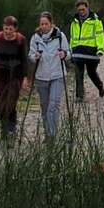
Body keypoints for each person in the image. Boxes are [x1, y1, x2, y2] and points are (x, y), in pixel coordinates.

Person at [24, 12, 71, 140]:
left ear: (51, 24)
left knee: (53, 106)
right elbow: (30, 56)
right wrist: (35, 56)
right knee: (45, 107)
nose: (44, 26)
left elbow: (69, 53)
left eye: (46, 24)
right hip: (41, 76)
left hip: (57, 75)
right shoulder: (35, 37)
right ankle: (47, 133)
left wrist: (64, 54)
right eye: (42, 24)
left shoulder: (60, 36)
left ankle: (52, 135)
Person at [0, 15, 27, 140]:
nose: (8, 32)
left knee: (10, 103)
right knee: (0, 105)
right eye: (6, 28)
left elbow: (24, 59)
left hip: (16, 75)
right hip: (1, 74)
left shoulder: (20, 40)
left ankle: (11, 128)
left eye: (10, 29)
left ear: (15, 29)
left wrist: (25, 77)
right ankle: (4, 129)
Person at [67, 0, 104, 104]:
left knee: (91, 73)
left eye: (83, 9)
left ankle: (100, 87)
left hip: (91, 52)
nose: (81, 11)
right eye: (79, 10)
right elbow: (72, 37)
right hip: (77, 52)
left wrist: (100, 48)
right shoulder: (74, 22)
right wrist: (70, 51)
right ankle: (80, 96)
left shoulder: (95, 21)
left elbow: (100, 35)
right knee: (78, 74)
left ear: (87, 8)